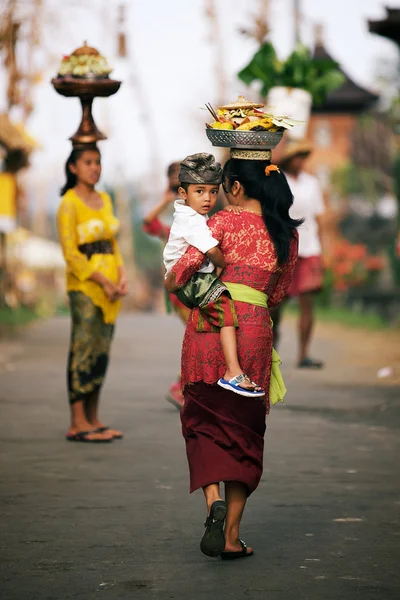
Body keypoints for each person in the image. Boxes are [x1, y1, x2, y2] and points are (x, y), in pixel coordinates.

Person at [165, 153, 300, 559]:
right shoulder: (287, 235)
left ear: (235, 188)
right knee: (243, 432)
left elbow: (181, 274)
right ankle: (231, 536)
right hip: (256, 330)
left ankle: (212, 506)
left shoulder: (221, 222)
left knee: (202, 422)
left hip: (210, 326)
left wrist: (173, 277)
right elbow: (277, 295)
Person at [164, 153, 264, 397]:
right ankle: (233, 371)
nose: (208, 198)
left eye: (213, 191)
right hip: (189, 280)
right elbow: (211, 251)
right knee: (225, 311)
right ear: (183, 193)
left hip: (195, 276)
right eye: (200, 191)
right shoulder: (191, 220)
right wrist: (222, 264)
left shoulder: (196, 215)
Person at [57, 145, 128, 443]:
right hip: (86, 286)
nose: (94, 168)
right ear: (73, 167)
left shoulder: (106, 199)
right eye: (87, 162)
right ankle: (77, 421)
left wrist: (120, 277)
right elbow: (71, 254)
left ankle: (93, 418)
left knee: (102, 349)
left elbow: (112, 244)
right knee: (83, 347)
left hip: (111, 288)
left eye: (97, 162)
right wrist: (102, 280)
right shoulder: (68, 203)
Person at [270, 140, 325, 368]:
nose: (301, 161)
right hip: (284, 248)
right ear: (288, 159)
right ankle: (271, 348)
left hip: (310, 247)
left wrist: (325, 250)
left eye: (303, 156)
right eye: (297, 156)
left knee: (307, 302)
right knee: (276, 303)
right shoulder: (276, 181)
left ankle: (303, 354)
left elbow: (320, 216)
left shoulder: (312, 183)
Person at [143, 161, 190, 409]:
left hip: (198, 285)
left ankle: (184, 387)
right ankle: (180, 387)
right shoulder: (172, 226)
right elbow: (148, 223)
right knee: (198, 334)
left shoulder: (193, 216)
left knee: (199, 335)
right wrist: (166, 198)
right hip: (180, 288)